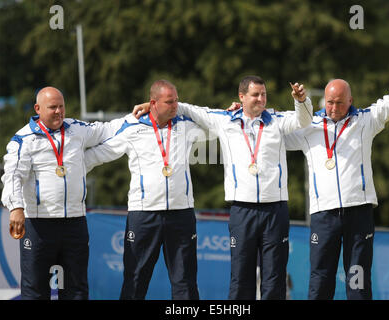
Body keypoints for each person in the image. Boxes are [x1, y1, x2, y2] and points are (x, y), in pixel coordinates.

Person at [134, 76, 313, 299]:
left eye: (263, 94)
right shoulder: (225, 120)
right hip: (242, 211)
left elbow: (304, 121)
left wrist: (301, 100)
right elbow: (194, 110)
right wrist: (150, 105)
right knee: (241, 277)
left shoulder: (277, 120)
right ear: (241, 97)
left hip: (275, 210)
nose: (261, 99)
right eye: (255, 94)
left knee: (274, 276)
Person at [282, 35, 389, 299]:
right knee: (320, 279)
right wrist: (244, 114)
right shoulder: (308, 126)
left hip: (359, 210)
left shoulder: (365, 121)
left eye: (339, 102)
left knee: (358, 279)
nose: (333, 107)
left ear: (351, 99)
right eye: (330, 102)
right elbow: (273, 132)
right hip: (324, 214)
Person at [84, 80, 207, 300]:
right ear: (153, 103)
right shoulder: (133, 128)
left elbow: (217, 125)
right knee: (135, 280)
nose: (175, 106)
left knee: (185, 282)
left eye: (177, 100)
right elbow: (99, 154)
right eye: (169, 102)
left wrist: (233, 111)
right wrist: (66, 168)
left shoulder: (186, 124)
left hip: (181, 214)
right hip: (144, 215)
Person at [1, 87, 124, 300]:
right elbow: (13, 175)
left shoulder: (77, 129)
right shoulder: (23, 139)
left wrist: (138, 115)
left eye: (61, 106)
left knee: (76, 290)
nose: (59, 111)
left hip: (74, 223)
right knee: (35, 291)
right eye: (52, 107)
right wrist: (16, 207)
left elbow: (108, 129)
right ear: (38, 109)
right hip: (39, 225)